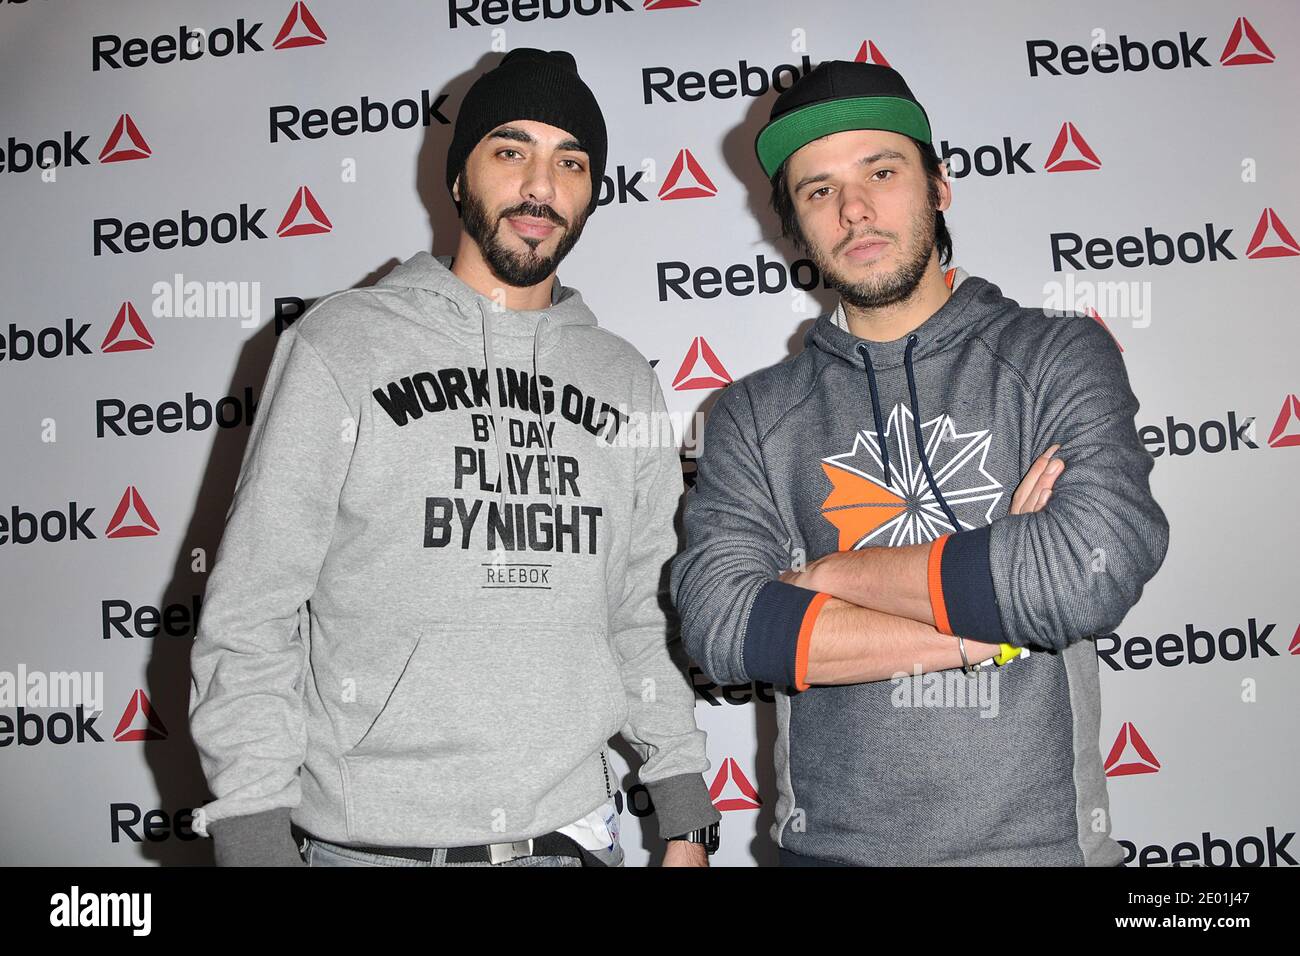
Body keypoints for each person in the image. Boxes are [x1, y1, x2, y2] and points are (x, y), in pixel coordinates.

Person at [189, 48, 720, 868]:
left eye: (570, 162)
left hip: (572, 843)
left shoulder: (621, 379)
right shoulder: (343, 344)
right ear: (458, 178)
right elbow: (253, 609)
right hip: (368, 850)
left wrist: (684, 808)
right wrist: (252, 834)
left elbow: (635, 617)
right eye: (512, 151)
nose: (541, 186)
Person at [670, 60, 1169, 866]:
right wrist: (995, 628)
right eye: (818, 190)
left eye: (882, 170)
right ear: (792, 226)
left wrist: (827, 577)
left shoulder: (1055, 356)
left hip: (1041, 853)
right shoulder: (753, 415)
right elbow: (727, 629)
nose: (856, 209)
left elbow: (1090, 567)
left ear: (939, 185)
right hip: (828, 856)